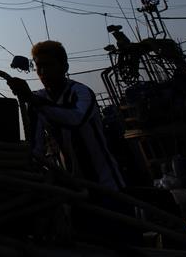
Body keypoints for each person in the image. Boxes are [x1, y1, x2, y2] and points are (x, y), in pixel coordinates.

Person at [8, 40, 125, 191]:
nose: (42, 72)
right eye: (39, 67)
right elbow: (36, 147)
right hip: (73, 188)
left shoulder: (81, 92)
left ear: (64, 67)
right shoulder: (38, 100)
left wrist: (33, 100)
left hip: (107, 185)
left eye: (48, 65)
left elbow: (76, 119)